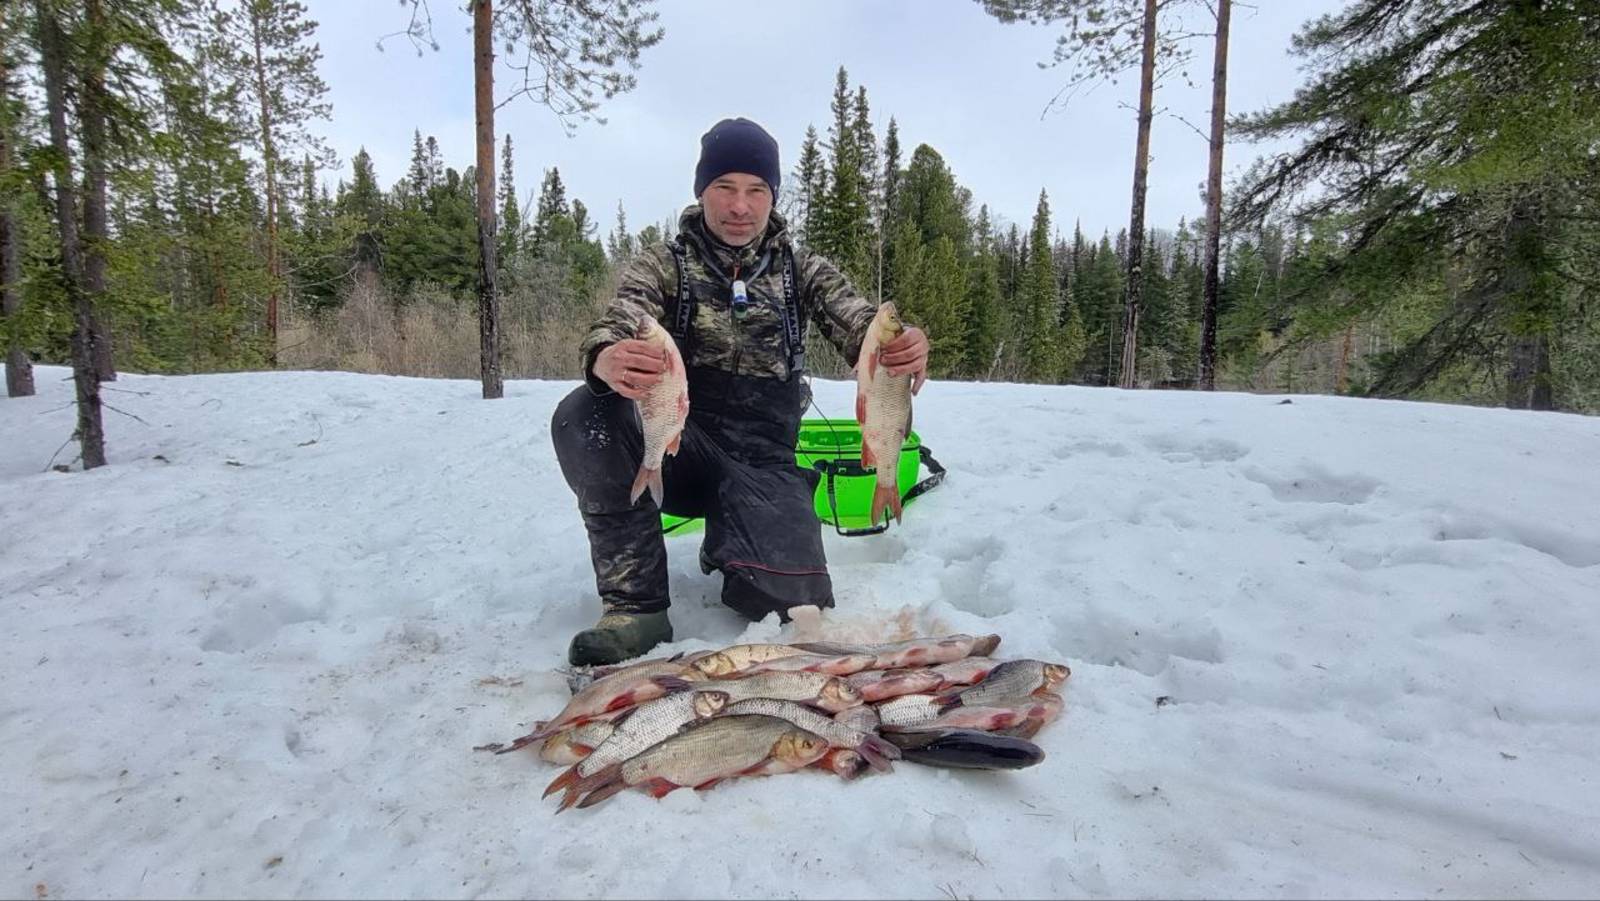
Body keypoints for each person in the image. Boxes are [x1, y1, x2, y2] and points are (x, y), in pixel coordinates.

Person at [550, 117, 930, 667]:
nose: (739, 206)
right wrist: (605, 355)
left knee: (797, 605)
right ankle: (636, 607)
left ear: (773, 198)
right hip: (678, 449)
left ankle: (734, 542)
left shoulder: (804, 271)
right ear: (701, 190)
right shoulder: (665, 265)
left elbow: (862, 324)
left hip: (762, 464)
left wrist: (902, 347)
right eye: (724, 188)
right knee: (585, 414)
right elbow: (619, 318)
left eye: (756, 191)